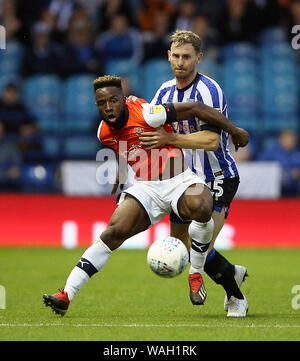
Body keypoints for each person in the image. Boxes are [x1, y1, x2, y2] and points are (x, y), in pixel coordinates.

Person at [42, 75, 249, 317]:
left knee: (202, 206)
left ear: (123, 99)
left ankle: (195, 273)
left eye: (113, 100)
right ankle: (66, 294)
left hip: (178, 180)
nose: (108, 107)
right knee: (112, 233)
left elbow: (196, 107)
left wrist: (233, 130)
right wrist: (121, 169)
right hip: (147, 187)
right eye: (101, 103)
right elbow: (123, 141)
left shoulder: (150, 113)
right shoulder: (103, 132)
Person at [139, 30, 249, 317]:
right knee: (186, 249)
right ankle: (230, 272)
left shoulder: (209, 91)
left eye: (187, 57)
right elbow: (153, 130)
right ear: (168, 56)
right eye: (175, 56)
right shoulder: (163, 92)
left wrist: (170, 140)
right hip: (183, 181)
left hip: (217, 177)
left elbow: (211, 141)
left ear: (198, 58)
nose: (180, 62)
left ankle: (236, 298)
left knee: (202, 246)